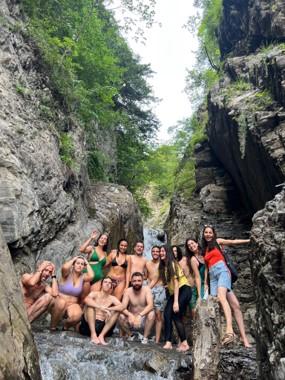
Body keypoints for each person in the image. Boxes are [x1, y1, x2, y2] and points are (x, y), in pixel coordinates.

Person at [201, 224, 251, 347]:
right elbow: (206, 268)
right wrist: (205, 283)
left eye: (210, 232)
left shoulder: (218, 242)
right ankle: (243, 339)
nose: (208, 234)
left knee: (221, 297)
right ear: (203, 234)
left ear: (213, 234)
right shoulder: (204, 250)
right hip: (212, 277)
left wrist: (249, 240)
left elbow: (233, 242)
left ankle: (230, 330)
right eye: (206, 232)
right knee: (235, 306)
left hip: (222, 271)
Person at [159, 246, 192, 352]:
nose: (161, 253)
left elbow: (176, 283)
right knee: (166, 314)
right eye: (160, 251)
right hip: (176, 293)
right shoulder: (163, 267)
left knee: (176, 315)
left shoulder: (172, 264)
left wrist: (176, 302)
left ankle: (185, 343)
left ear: (167, 252)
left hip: (184, 289)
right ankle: (168, 342)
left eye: (163, 251)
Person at [50, 255, 94, 330]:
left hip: (72, 304)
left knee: (78, 317)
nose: (79, 266)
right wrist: (74, 259)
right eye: (77, 263)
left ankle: (65, 326)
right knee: (61, 303)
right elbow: (64, 267)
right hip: (59, 302)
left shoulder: (83, 277)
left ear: (84, 267)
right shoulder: (66, 274)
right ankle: (53, 327)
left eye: (82, 264)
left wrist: (86, 263)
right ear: (73, 265)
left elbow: (92, 276)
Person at [78, 277, 124, 345]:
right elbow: (87, 300)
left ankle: (101, 336)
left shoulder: (112, 298)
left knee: (117, 311)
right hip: (88, 327)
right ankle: (93, 335)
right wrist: (100, 307)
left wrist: (109, 309)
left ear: (111, 286)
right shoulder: (94, 294)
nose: (107, 284)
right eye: (105, 282)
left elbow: (122, 307)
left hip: (102, 327)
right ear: (101, 284)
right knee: (90, 306)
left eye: (109, 283)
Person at [119, 272, 155, 344]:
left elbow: (151, 305)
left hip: (143, 320)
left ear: (142, 281)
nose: (137, 283)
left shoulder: (147, 289)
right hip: (131, 320)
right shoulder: (128, 291)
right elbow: (122, 307)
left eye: (139, 281)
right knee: (120, 316)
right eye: (134, 281)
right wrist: (129, 314)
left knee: (152, 313)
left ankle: (145, 338)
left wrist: (140, 315)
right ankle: (131, 335)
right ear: (131, 282)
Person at [146, 245, 166, 343]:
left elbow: (158, 278)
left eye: (157, 251)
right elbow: (147, 276)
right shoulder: (148, 263)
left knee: (158, 314)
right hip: (150, 289)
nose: (155, 253)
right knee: (150, 313)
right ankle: (148, 335)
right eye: (153, 251)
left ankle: (157, 340)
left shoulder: (162, 263)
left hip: (159, 289)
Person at [185, 238, 207, 313]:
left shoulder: (205, 253)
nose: (191, 245)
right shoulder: (193, 260)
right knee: (202, 305)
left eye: (192, 243)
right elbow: (197, 277)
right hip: (201, 285)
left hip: (209, 282)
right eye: (189, 245)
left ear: (197, 243)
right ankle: (195, 323)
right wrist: (200, 294)